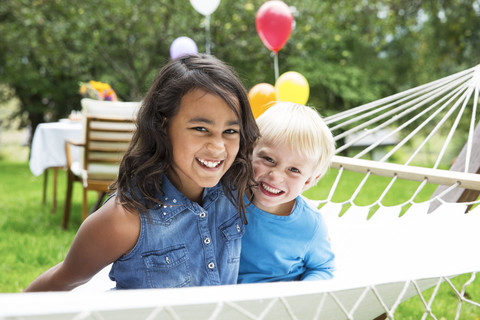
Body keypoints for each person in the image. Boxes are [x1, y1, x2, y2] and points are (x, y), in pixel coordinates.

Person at [25, 54, 260, 291]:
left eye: (230, 131)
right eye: (201, 128)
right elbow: (62, 280)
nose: (218, 147)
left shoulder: (238, 190)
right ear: (162, 126)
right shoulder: (124, 218)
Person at [237, 102, 336, 283]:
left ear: (309, 180)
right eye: (268, 159)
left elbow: (323, 267)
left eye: (294, 170)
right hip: (223, 300)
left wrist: (301, 295)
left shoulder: (310, 224)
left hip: (280, 304)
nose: (275, 176)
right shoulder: (227, 198)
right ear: (250, 152)